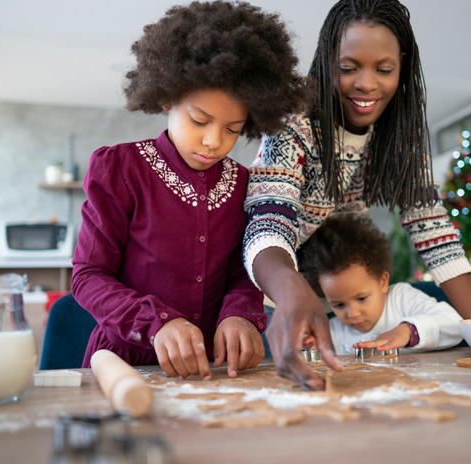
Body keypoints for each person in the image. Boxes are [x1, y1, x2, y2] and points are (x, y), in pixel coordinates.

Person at [242, 0, 471, 390]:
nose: (367, 84)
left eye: (385, 69)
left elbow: (432, 230)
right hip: (264, 289)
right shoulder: (294, 123)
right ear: (327, 63)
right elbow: (269, 221)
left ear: (403, 66)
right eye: (348, 68)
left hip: (320, 296)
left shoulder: (400, 138)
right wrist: (291, 290)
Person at [72, 1, 305, 381]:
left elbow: (243, 273)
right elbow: (89, 276)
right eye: (200, 119)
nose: (214, 141)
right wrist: (156, 322)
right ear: (168, 97)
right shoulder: (120, 169)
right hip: (124, 366)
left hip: (213, 368)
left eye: (233, 129)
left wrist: (239, 316)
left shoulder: (245, 185)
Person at [297, 214, 463, 355]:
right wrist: (312, 348)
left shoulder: (401, 298)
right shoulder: (332, 331)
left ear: (382, 282)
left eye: (361, 298)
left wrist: (407, 331)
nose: (353, 314)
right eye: (338, 304)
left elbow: (455, 324)